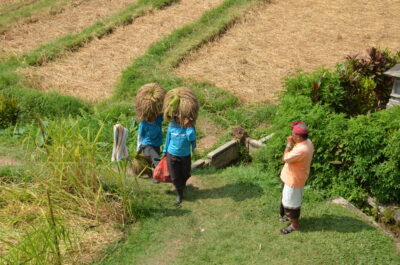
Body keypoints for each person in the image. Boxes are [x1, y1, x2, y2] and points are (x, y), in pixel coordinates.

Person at [279, 121, 314, 234]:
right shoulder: (307, 142)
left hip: (293, 180)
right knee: (288, 199)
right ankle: (289, 218)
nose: (291, 135)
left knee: (291, 203)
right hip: (293, 177)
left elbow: (285, 158)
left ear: (298, 137)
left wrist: (289, 144)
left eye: (293, 134)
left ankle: (294, 225)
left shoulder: (301, 150)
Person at [163, 118, 196, 204]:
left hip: (185, 155)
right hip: (172, 154)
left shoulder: (190, 126)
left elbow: (192, 139)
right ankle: (179, 195)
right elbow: (168, 139)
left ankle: (181, 185)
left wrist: (188, 126)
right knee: (175, 177)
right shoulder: (172, 125)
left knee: (186, 174)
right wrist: (164, 151)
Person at [137, 114, 163, 183]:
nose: (154, 116)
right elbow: (140, 137)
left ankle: (151, 174)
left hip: (157, 144)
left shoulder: (158, 120)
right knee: (156, 159)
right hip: (147, 145)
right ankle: (156, 177)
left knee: (153, 161)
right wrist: (138, 148)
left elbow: (166, 114)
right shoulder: (143, 123)